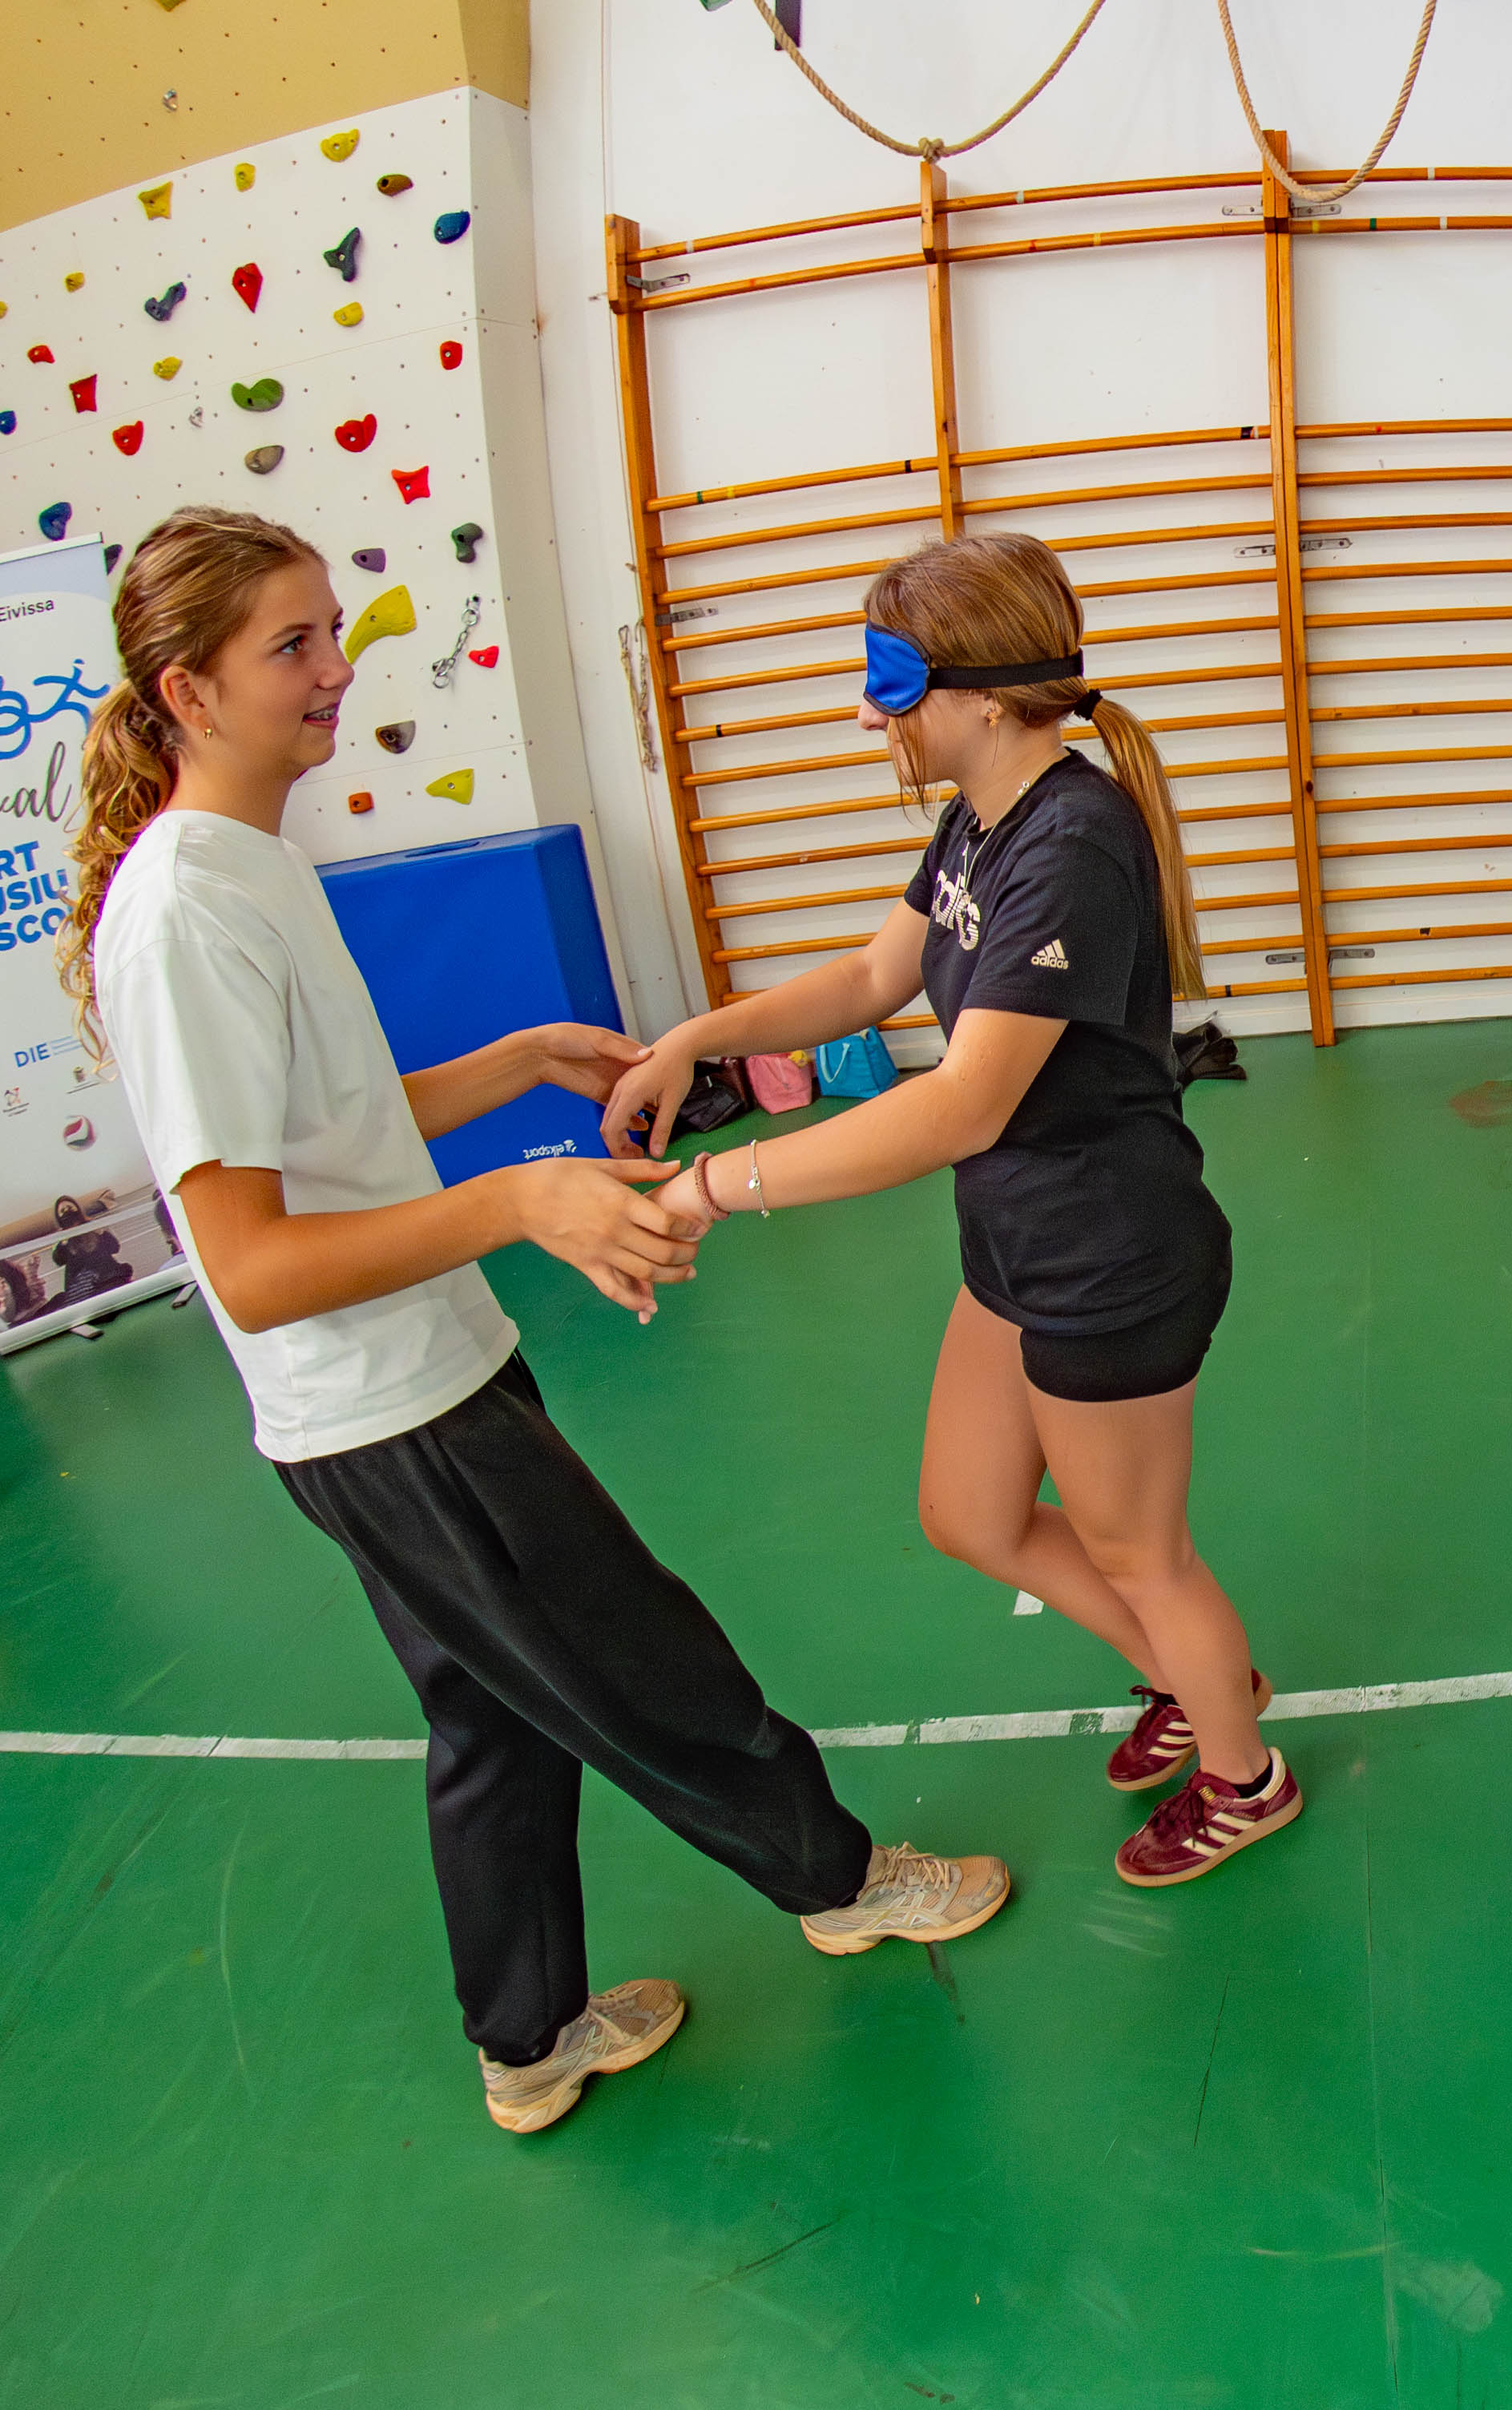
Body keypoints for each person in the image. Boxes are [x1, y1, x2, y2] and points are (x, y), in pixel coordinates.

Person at [69, 507, 1010, 2138]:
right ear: (188, 690)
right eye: (291, 644)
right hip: (390, 1413)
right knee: (639, 1658)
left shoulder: (248, 863)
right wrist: (520, 1202)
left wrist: (511, 1067)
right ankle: (843, 1879)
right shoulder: (183, 916)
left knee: (493, 1721)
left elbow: (325, 1126)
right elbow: (250, 1262)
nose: (335, 667)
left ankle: (527, 2037)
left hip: (404, 1383)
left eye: (332, 629)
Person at [602, 532, 1285, 1888]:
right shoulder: (982, 816)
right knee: (969, 1511)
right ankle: (1191, 1672)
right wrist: (698, 1036)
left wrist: (716, 1184)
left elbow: (962, 1105)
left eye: (891, 682)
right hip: (1019, 1241)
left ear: (982, 693)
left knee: (1138, 1550)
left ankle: (1243, 1770)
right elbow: (872, 976)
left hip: (1108, 1258)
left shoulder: (1073, 841)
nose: (871, 714)